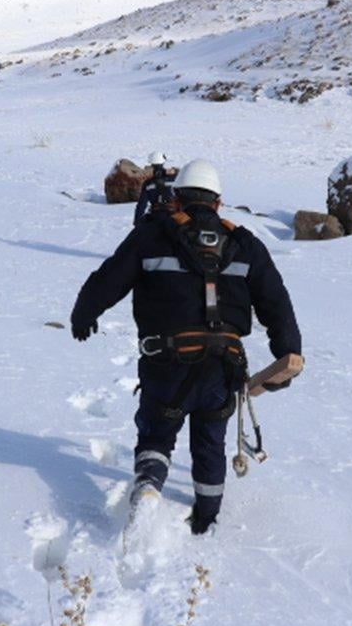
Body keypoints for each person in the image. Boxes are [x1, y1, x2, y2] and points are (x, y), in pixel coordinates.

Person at [71, 159, 301, 534]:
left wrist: (84, 313)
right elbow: (277, 302)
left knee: (157, 432)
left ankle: (147, 490)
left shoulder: (152, 234)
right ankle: (206, 520)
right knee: (210, 442)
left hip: (166, 360)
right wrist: (287, 355)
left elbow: (109, 278)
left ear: (176, 199)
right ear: (218, 203)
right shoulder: (246, 244)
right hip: (223, 367)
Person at [133, 151, 176, 225]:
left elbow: (141, 206)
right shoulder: (174, 179)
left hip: (156, 216)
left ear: (151, 165)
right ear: (163, 163)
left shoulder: (148, 184)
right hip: (173, 215)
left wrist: (137, 223)